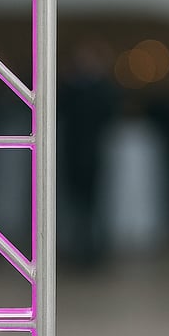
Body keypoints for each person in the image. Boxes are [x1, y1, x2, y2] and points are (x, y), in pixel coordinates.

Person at [59, 41, 117, 266]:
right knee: (73, 201)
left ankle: (92, 247)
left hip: (93, 152)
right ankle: (77, 245)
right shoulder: (70, 87)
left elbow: (108, 116)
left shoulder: (104, 89)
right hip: (73, 151)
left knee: (93, 203)